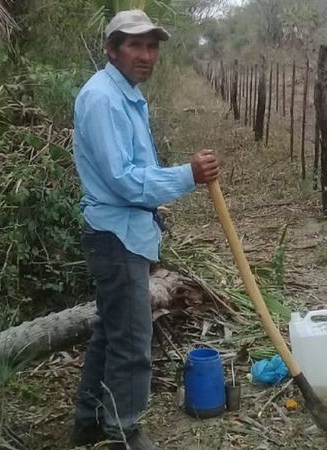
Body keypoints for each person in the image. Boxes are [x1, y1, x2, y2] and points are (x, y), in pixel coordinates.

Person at [68, 9, 219, 450]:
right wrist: (186, 175)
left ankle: (87, 422)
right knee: (133, 341)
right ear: (111, 49)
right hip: (114, 237)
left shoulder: (128, 95)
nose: (146, 55)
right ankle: (123, 431)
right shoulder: (103, 99)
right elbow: (122, 179)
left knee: (111, 332)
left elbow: (136, 170)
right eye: (135, 45)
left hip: (125, 233)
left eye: (152, 46)